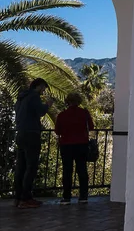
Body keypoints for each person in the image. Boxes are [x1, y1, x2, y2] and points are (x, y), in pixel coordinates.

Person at [14, 78, 53, 208]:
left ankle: (18, 196)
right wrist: (47, 104)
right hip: (31, 134)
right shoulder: (34, 96)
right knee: (31, 166)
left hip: (20, 133)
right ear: (38, 86)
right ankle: (26, 198)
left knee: (21, 166)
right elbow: (41, 111)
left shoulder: (21, 97)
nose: (43, 91)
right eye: (43, 88)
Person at [55, 92, 94, 204]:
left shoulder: (62, 115)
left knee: (67, 170)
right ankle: (83, 196)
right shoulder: (84, 113)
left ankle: (66, 197)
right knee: (82, 170)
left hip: (66, 145)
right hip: (82, 144)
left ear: (67, 101)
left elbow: (57, 131)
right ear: (79, 101)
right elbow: (91, 127)